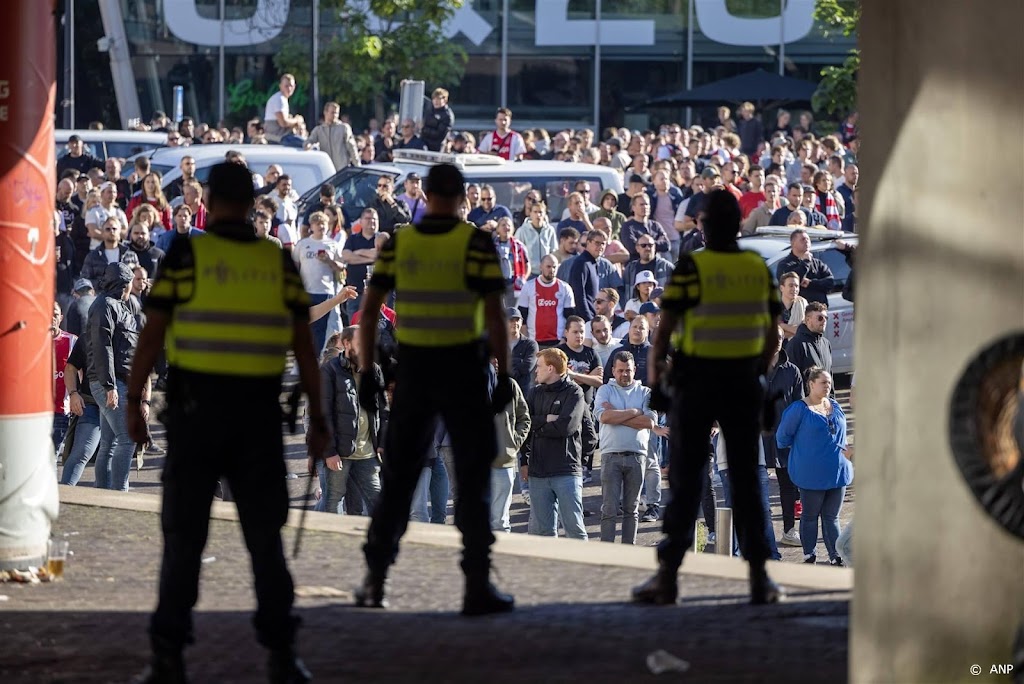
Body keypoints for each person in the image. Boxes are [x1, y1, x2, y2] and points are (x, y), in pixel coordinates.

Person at [125, 163, 327, 683]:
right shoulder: (276, 261)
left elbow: (152, 333)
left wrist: (134, 400)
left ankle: (168, 656)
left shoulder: (187, 254)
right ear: (253, 204)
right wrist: (319, 417)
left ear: (210, 201)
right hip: (258, 420)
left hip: (196, 417)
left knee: (184, 538)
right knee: (266, 541)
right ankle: (283, 655)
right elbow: (305, 347)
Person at [352, 162, 515, 615]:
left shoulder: (401, 242)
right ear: (464, 196)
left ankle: (375, 579)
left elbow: (368, 314)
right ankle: (476, 585)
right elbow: (497, 316)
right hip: (464, 370)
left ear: (423, 194)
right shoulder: (477, 243)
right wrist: (504, 377)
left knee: (400, 478)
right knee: (473, 478)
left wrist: (367, 373)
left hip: (415, 371)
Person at [635, 189, 784, 606]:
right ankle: (759, 579)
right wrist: (759, 375)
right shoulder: (757, 267)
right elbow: (773, 336)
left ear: (701, 225)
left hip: (696, 384)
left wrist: (657, 382)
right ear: (739, 224)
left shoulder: (691, 267)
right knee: (746, 480)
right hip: (741, 384)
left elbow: (663, 332)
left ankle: (668, 579)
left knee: (687, 481)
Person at [776, 368, 853, 566]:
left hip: (837, 473)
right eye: (823, 382)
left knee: (831, 517)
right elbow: (782, 438)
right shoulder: (798, 410)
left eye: (829, 382)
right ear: (811, 384)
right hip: (811, 474)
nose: (828, 386)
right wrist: (805, 449)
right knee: (809, 517)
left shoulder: (835, 405)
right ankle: (809, 555)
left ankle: (835, 555)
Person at [318, 326, 386, 516]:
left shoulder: (374, 370)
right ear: (346, 344)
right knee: (332, 503)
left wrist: (381, 444)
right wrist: (330, 452)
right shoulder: (329, 371)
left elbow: (383, 410)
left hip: (368, 454)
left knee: (377, 502)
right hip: (339, 454)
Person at [520, 348, 587, 540]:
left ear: (550, 369)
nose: (535, 371)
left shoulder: (575, 392)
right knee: (543, 534)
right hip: (537, 472)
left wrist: (537, 425)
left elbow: (566, 427)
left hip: (565, 470)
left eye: (539, 367)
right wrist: (546, 420)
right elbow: (524, 424)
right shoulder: (534, 393)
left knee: (574, 530)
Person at [595, 351, 656, 544]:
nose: (624, 374)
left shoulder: (645, 392)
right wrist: (633, 412)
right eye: (620, 370)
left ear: (634, 370)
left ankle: (628, 550)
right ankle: (607, 551)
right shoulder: (605, 390)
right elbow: (604, 417)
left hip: (637, 456)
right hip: (610, 455)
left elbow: (650, 422)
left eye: (628, 370)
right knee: (609, 508)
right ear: (613, 370)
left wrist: (616, 414)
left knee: (632, 509)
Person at [761, 326, 804, 547]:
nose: (776, 340)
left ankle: (789, 530)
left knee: (788, 486)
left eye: (779, 337)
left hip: (784, 436)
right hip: (758, 437)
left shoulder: (792, 371)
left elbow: (800, 405)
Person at [492, 368, 530, 533]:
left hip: (503, 460)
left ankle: (501, 557)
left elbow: (524, 418)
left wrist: (513, 443)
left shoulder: (509, 385)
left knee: (500, 522)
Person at [516, 254, 575, 348]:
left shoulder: (565, 288)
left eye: (554, 267)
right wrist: (526, 340)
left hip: (558, 342)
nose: (552, 270)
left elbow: (570, 317)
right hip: (534, 342)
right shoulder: (528, 287)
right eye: (548, 266)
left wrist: (564, 338)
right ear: (541, 267)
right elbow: (522, 315)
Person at [773, 229, 835, 305]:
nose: (806, 242)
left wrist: (811, 283)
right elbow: (792, 282)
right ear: (793, 243)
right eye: (802, 239)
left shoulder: (817, 263)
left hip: (818, 311)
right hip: (797, 311)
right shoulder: (785, 264)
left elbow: (830, 282)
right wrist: (805, 263)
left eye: (808, 239)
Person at [305, 102, 359, 171]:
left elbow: (352, 147)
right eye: (332, 112)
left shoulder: (343, 128)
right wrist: (308, 145)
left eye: (337, 113)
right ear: (325, 112)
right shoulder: (319, 130)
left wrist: (357, 165)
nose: (335, 115)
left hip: (342, 169)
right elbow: (309, 140)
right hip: (326, 169)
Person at [787, 302, 833, 376]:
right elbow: (792, 378)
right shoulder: (796, 344)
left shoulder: (826, 343)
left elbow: (829, 375)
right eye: (820, 318)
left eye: (826, 318)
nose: (824, 321)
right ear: (808, 320)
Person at [263, 73, 305, 147]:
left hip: (280, 137)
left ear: (294, 87)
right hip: (279, 137)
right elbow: (283, 123)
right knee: (310, 146)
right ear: (280, 86)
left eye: (291, 86)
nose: (289, 89)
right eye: (286, 86)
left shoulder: (282, 99)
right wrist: (297, 120)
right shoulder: (279, 99)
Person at [420, 88, 455, 152]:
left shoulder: (447, 115)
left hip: (436, 148)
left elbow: (439, 134)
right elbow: (419, 97)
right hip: (423, 143)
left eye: (438, 99)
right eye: (434, 98)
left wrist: (423, 128)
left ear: (445, 100)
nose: (436, 101)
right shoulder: (430, 107)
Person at [778, 271, 808, 340]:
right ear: (781, 288)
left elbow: (805, 330)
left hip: (798, 347)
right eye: (791, 285)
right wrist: (795, 330)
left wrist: (781, 325)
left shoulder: (803, 304)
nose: (794, 289)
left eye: (797, 286)